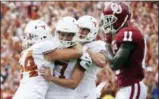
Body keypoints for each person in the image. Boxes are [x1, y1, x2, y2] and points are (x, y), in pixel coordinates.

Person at [12, 19, 83, 99]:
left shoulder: (26, 52)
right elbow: (78, 52)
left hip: (20, 94)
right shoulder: (44, 47)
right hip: (33, 95)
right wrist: (75, 38)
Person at [40, 15, 107, 99]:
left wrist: (83, 49)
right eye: (79, 28)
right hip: (67, 93)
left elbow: (101, 62)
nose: (80, 32)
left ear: (93, 31)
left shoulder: (97, 45)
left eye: (84, 30)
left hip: (86, 94)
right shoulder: (69, 43)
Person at [100, 2, 147, 99]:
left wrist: (106, 45)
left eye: (110, 20)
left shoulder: (128, 32)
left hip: (132, 86)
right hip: (127, 87)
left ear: (120, 19)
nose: (108, 24)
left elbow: (114, 64)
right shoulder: (122, 34)